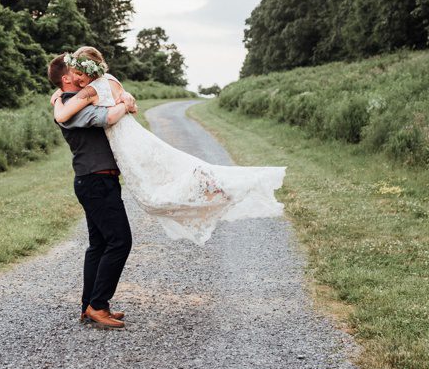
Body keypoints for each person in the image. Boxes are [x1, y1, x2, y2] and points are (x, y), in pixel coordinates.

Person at [52, 46, 286, 247]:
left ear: (89, 71)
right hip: (133, 137)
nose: (78, 79)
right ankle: (213, 187)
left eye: (79, 74)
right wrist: (127, 102)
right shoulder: (111, 80)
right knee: (167, 168)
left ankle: (212, 188)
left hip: (127, 141)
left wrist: (55, 100)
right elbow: (128, 101)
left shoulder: (91, 90)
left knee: (155, 189)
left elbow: (63, 115)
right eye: (74, 74)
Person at [47, 53, 138, 330]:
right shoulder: (70, 107)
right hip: (96, 181)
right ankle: (98, 305)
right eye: (74, 70)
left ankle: (91, 305)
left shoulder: (69, 101)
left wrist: (124, 96)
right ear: (67, 78)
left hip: (96, 180)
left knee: (99, 245)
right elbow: (108, 118)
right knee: (120, 241)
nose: (79, 73)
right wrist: (125, 103)